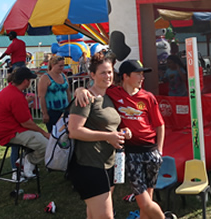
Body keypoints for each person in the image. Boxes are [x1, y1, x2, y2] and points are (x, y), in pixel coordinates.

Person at [75, 59, 172, 219]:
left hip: (151, 152)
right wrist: (80, 90)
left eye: (143, 74)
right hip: (131, 152)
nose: (142, 78)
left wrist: (160, 150)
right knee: (144, 202)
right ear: (125, 76)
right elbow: (94, 90)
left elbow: (159, 125)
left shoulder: (148, 97)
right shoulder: (113, 93)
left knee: (148, 198)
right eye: (138, 74)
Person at [68, 53, 125, 219]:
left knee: (94, 215)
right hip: (89, 165)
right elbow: (74, 130)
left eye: (110, 72)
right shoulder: (86, 97)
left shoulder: (108, 95)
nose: (108, 76)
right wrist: (108, 136)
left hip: (107, 164)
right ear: (92, 75)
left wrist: (121, 133)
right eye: (103, 72)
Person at [0, 67, 49, 178]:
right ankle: (27, 161)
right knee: (46, 145)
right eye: (30, 80)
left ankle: (24, 163)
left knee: (41, 140)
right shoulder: (16, 96)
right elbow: (26, 123)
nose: (31, 82)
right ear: (25, 81)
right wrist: (44, 133)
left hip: (10, 130)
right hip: (10, 133)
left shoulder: (11, 91)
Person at [37, 55, 72, 133]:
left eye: (63, 65)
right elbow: (41, 96)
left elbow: (68, 93)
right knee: (54, 133)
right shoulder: (45, 78)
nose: (62, 67)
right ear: (53, 65)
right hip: (52, 111)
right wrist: (45, 113)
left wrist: (70, 107)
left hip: (64, 109)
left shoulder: (64, 76)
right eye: (60, 66)